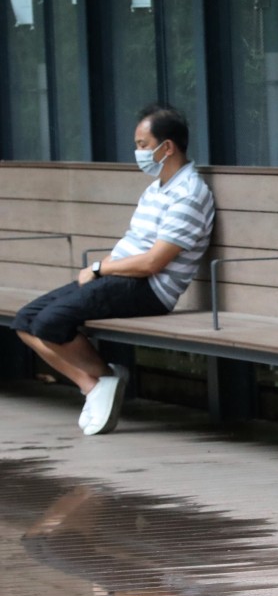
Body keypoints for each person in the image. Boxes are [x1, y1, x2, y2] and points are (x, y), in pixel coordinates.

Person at [12, 103, 215, 436]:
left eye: (142, 145)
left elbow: (153, 263)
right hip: (121, 279)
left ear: (168, 147)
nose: (138, 153)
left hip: (149, 290)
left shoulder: (189, 195)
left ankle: (104, 381)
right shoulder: (156, 189)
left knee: (49, 323)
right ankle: (94, 384)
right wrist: (104, 270)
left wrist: (99, 268)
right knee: (24, 321)